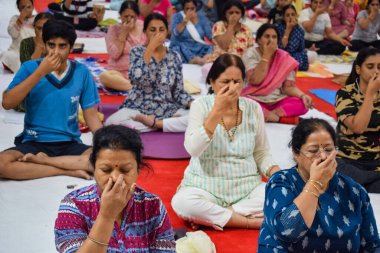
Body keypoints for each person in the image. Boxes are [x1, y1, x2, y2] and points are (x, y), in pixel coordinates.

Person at [171, 54, 281, 231]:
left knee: (283, 195)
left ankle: (220, 215)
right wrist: (216, 112)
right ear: (212, 83)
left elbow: (261, 152)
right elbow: (193, 149)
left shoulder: (253, 108)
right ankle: (249, 222)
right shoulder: (200, 106)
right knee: (182, 203)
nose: (232, 87)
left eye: (237, 81)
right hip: (205, 186)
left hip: (246, 188)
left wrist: (276, 172)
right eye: (225, 81)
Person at [258, 118, 380, 252]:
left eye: (328, 149)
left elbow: (372, 245)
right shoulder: (281, 183)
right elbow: (288, 231)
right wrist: (315, 184)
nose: (323, 156)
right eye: (313, 150)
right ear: (295, 153)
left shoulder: (354, 191)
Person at [0, 20, 102, 180]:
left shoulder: (82, 72)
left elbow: (92, 117)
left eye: (62, 46)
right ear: (45, 44)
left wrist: (106, 142)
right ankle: (65, 169)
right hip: (34, 141)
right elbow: (7, 103)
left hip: (69, 143)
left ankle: (44, 162)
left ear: (71, 47)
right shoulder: (29, 68)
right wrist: (40, 72)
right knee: (2, 165)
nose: (56, 51)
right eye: (51, 45)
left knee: (103, 161)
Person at [55, 125, 176, 252]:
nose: (116, 178)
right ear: (94, 169)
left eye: (125, 170)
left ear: (138, 170)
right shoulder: (74, 205)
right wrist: (106, 216)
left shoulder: (152, 206)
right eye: (106, 170)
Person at [105, 13, 193, 132]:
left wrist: (192, 104)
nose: (157, 33)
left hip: (166, 108)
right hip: (138, 108)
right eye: (152, 30)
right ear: (145, 32)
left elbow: (178, 92)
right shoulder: (136, 51)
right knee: (111, 123)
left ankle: (156, 124)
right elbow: (137, 79)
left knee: (197, 118)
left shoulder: (174, 56)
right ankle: (162, 124)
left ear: (167, 32)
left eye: (161, 30)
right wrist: (150, 48)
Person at [242, 24, 313, 123]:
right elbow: (255, 80)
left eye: (274, 37)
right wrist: (266, 56)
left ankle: (268, 115)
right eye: (267, 36)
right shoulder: (251, 53)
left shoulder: (284, 58)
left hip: (277, 101)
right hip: (254, 98)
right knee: (242, 104)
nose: (271, 40)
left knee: (302, 104)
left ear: (278, 41)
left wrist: (302, 95)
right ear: (258, 40)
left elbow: (288, 87)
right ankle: (279, 119)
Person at [335, 47, 380, 193]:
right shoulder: (345, 94)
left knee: (352, 181)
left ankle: (361, 183)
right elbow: (358, 127)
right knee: (344, 173)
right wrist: (370, 94)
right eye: (370, 66)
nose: (376, 71)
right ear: (358, 69)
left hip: (374, 160)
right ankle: (365, 182)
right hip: (347, 159)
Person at [99, 1, 146, 91]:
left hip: (141, 71)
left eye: (132, 17)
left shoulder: (143, 26)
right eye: (125, 16)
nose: (129, 19)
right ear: (120, 15)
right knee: (104, 77)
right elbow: (114, 54)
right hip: (119, 73)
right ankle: (135, 88)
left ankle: (135, 86)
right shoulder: (113, 29)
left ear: (137, 16)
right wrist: (124, 32)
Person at [170, 0, 213, 65]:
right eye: (187, 9)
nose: (189, 11)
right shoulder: (177, 17)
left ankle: (205, 58)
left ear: (196, 8)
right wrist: (184, 21)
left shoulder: (202, 17)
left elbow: (209, 35)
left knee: (211, 47)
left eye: (192, 8)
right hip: (184, 45)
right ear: (183, 8)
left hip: (199, 46)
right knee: (180, 47)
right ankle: (195, 60)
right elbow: (175, 33)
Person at [275, 4, 317, 71]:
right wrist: (288, 30)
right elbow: (280, 48)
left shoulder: (299, 30)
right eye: (287, 15)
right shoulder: (278, 27)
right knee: (282, 58)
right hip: (281, 56)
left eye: (292, 14)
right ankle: (290, 65)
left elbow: (301, 50)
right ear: (283, 17)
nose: (290, 17)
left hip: (294, 56)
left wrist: (309, 49)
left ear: (296, 16)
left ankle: (290, 65)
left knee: (313, 55)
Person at [0, 0, 35, 73]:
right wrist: (21, 18)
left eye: (28, 7)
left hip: (34, 52)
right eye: (23, 7)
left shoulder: (38, 18)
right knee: (7, 55)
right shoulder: (15, 18)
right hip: (16, 51)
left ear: (33, 7)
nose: (26, 10)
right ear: (18, 9)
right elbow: (13, 34)